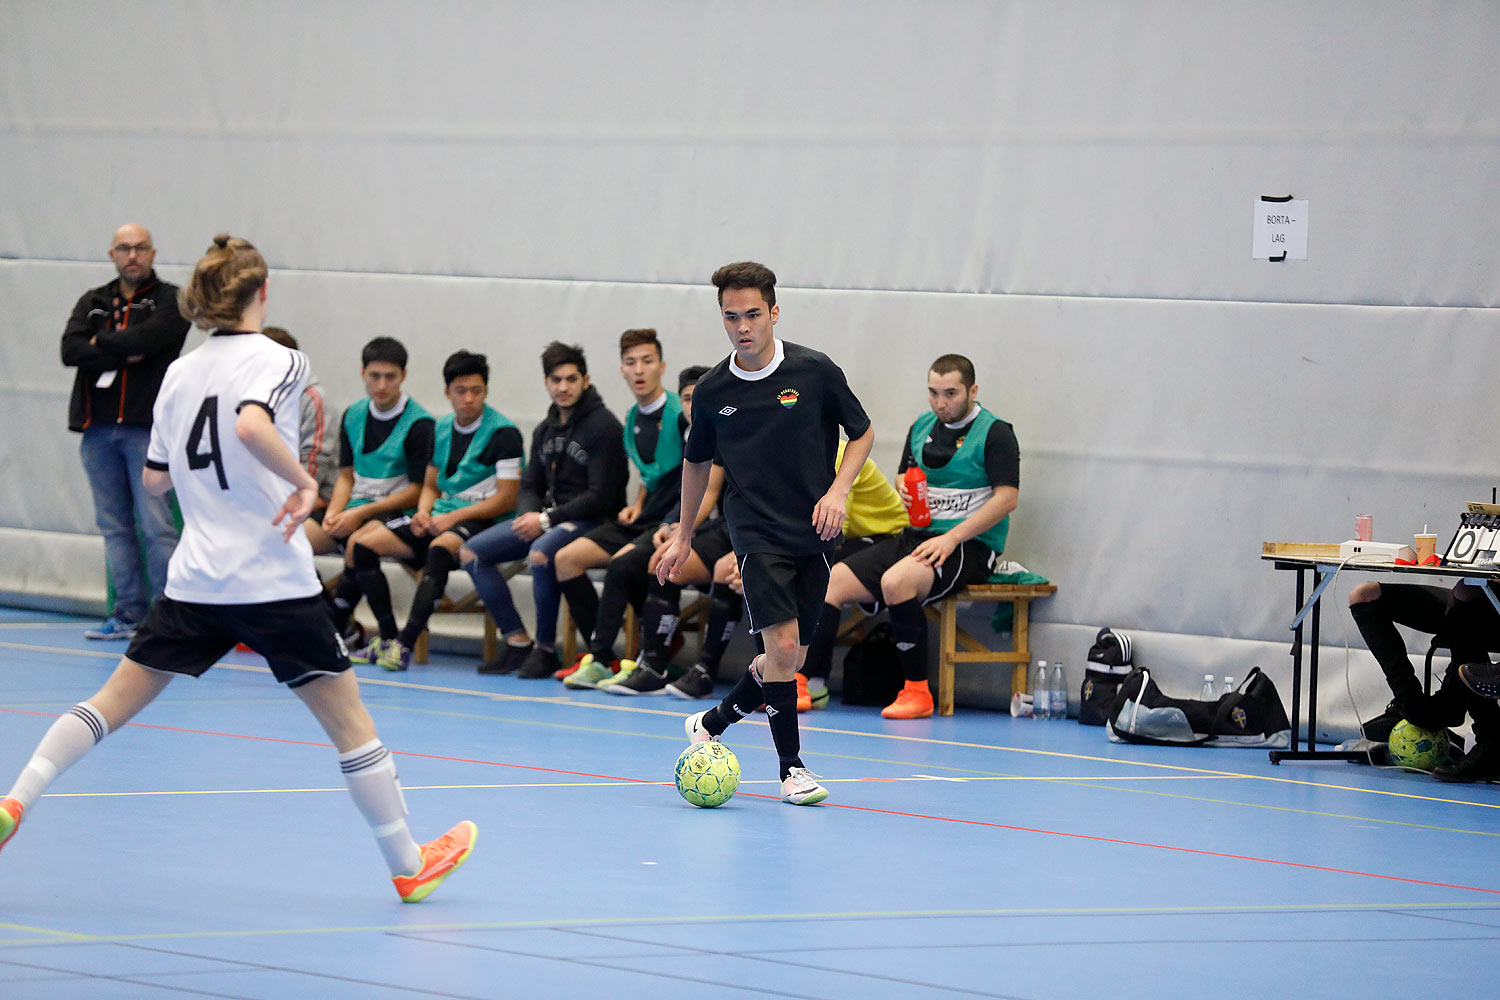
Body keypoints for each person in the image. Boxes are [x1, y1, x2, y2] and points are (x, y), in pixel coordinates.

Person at [0, 235, 475, 901]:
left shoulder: (179, 374)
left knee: (108, 703)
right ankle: (407, 862)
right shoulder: (281, 359)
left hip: (196, 581)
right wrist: (302, 486)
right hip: (272, 582)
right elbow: (253, 425)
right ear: (261, 292)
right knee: (350, 724)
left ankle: (17, 799)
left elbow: (156, 482)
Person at [656, 261, 874, 806]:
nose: (742, 327)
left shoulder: (814, 371)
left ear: (774, 313)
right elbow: (696, 465)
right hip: (753, 530)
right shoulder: (711, 390)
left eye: (753, 314)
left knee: (790, 659)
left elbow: (863, 433)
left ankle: (714, 720)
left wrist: (838, 491)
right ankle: (791, 769)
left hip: (813, 527)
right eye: (731, 317)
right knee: (778, 646)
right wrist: (684, 536)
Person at [799, 354, 1019, 721]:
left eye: (950, 393)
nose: (940, 402)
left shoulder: (996, 433)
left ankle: (917, 690)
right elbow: (905, 474)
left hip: (968, 546)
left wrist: (951, 539)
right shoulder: (921, 426)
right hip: (915, 536)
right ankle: (805, 681)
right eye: (933, 392)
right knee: (831, 581)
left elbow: (1007, 498)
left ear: (972, 390)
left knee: (896, 581)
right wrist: (905, 487)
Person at [347, 350, 524, 671]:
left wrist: (451, 518)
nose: (469, 399)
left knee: (441, 549)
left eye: (477, 391)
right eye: (461, 391)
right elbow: (429, 485)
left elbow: (506, 500)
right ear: (448, 393)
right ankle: (387, 637)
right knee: (363, 546)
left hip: (482, 522)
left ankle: (405, 644)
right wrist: (424, 513)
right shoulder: (440, 429)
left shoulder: (504, 433)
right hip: (440, 518)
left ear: (486, 391)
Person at [463, 342, 627, 678]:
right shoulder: (544, 429)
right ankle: (517, 641)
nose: (563, 387)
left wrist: (546, 519)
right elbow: (529, 486)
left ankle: (545, 649)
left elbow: (600, 496)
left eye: (571, 379)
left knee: (540, 554)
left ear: (585, 380)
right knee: (472, 553)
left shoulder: (604, 426)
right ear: (546, 383)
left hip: (593, 521)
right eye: (556, 380)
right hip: (548, 520)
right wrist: (529, 516)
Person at [565, 364, 727, 694]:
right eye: (686, 398)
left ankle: (697, 667)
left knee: (651, 564)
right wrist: (657, 515)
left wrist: (677, 528)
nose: (693, 406)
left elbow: (708, 494)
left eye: (701, 398)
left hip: (732, 529)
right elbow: (656, 478)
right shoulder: (685, 432)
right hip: (681, 524)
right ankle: (633, 660)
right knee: (643, 564)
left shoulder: (723, 434)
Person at [61, 223, 189, 640]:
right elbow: (70, 349)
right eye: (124, 248)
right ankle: (127, 612)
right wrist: (120, 347)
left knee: (156, 525)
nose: (132, 255)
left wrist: (100, 345)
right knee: (114, 525)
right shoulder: (94, 301)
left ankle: (168, 618)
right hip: (96, 429)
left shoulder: (170, 300)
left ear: (153, 253)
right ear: (112, 254)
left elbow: (157, 339)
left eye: (140, 248)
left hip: (146, 429)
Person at [555, 336, 689, 691]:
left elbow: (696, 474)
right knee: (565, 559)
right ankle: (608, 654)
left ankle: (601, 658)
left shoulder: (680, 415)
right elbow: (652, 472)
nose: (639, 370)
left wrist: (672, 522)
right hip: (643, 519)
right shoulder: (632, 417)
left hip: (672, 522)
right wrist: (638, 503)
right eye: (631, 362)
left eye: (647, 361)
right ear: (622, 370)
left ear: (661, 367)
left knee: (622, 565)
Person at [312, 339, 435, 639]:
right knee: (288, 544)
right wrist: (334, 513)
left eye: (390, 377)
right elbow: (346, 477)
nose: (382, 385)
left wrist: (361, 513)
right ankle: (331, 620)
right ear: (362, 372)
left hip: (395, 511)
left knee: (358, 544)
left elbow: (419, 491)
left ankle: (339, 629)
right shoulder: (352, 414)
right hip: (356, 508)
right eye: (374, 376)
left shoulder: (420, 424)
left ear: (403, 376)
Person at [792, 440, 910, 711]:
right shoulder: (791, 455)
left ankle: (807, 682)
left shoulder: (840, 456)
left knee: (818, 579)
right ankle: (793, 679)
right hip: (853, 539)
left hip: (887, 538)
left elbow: (832, 532)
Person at [1348, 581, 1500, 781]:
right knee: (1364, 595)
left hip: (1477, 605)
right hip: (1472, 598)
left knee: (1465, 596)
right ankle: (1411, 702)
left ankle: (1489, 738)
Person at [261, 327, 340, 510]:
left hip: (320, 496)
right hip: (278, 493)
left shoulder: (314, 399)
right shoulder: (262, 399)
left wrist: (291, 497)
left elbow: (314, 463)